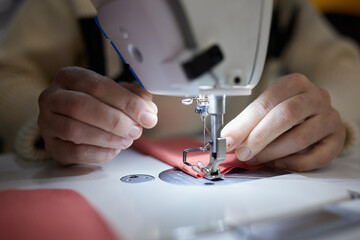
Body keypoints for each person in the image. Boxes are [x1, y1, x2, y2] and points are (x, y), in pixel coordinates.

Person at [0, 0, 359, 172]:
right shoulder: (68, 5)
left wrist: (330, 117)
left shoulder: (281, 9)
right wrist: (42, 121)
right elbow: (7, 70)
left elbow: (348, 69)